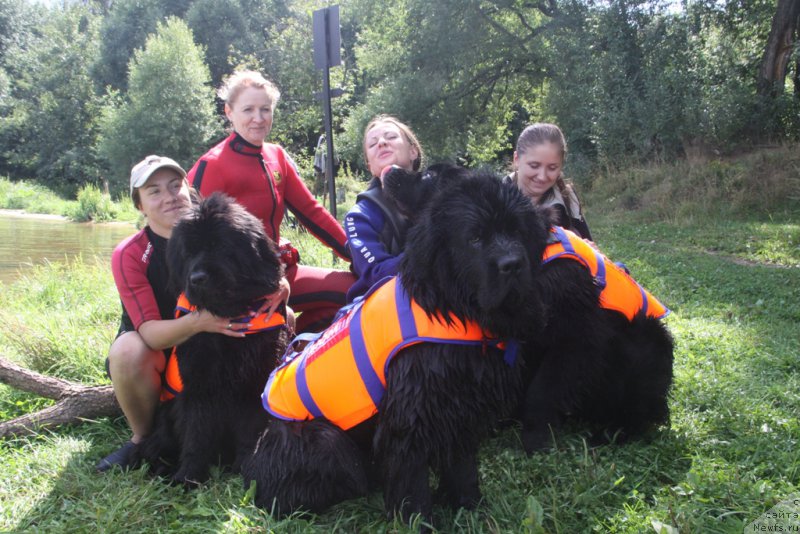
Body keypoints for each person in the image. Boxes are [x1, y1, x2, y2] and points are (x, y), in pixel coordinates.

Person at [96, 155, 255, 472]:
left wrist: (282, 285)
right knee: (127, 352)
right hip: (159, 346)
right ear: (140, 205)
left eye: (175, 185)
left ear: (190, 189)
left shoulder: (219, 225)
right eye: (154, 191)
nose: (168, 197)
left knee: (286, 315)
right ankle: (142, 438)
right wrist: (201, 322)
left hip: (213, 341)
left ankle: (249, 431)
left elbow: (263, 257)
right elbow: (150, 333)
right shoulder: (130, 252)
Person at [187, 70, 353, 333]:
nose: (258, 118)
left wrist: (358, 256)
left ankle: (299, 345)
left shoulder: (276, 156)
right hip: (238, 283)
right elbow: (186, 235)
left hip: (279, 273)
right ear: (229, 112)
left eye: (265, 109)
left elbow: (312, 213)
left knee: (356, 290)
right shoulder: (212, 165)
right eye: (248, 110)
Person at [344, 115, 424, 302]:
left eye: (391, 137)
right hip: (385, 304)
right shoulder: (359, 216)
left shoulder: (444, 194)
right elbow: (376, 274)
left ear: (413, 151)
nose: (381, 143)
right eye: (372, 144)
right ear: (370, 166)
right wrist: (432, 248)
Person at [507, 123, 592, 240]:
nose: (542, 176)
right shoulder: (493, 199)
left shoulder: (568, 196)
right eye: (534, 165)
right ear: (516, 159)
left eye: (552, 168)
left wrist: (591, 252)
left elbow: (587, 244)